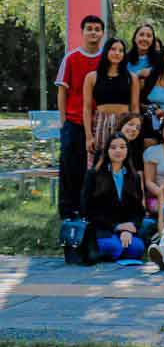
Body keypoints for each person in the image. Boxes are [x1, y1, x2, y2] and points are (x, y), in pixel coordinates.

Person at [56, 14, 107, 216]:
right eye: (89, 28)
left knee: (96, 169)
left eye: (97, 29)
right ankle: (68, 211)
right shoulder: (71, 58)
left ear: (102, 33)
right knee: (70, 167)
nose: (93, 32)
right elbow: (62, 91)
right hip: (74, 122)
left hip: (99, 123)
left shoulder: (106, 59)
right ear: (82, 32)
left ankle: (90, 210)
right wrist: (63, 122)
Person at [82, 134, 146, 262]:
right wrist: (116, 227)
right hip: (102, 227)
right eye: (113, 147)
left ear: (127, 150)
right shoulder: (93, 174)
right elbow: (86, 209)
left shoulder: (134, 177)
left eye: (122, 147)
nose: (118, 151)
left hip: (126, 227)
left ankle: (121, 246)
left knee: (137, 249)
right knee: (113, 247)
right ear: (107, 151)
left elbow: (138, 210)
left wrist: (129, 228)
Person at [82, 36, 137, 167]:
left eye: (121, 50)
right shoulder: (92, 77)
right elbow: (87, 108)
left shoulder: (131, 78)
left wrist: (134, 129)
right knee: (98, 163)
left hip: (123, 123)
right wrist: (89, 136)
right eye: (113, 49)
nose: (117, 53)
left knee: (123, 164)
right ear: (106, 51)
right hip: (101, 123)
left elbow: (135, 107)